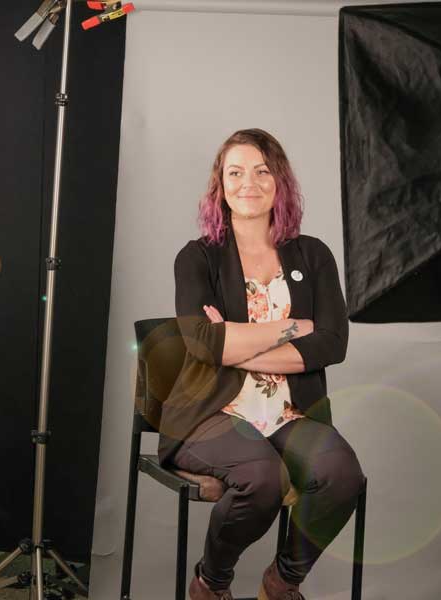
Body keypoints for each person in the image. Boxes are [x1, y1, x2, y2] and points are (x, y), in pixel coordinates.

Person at [162, 129, 365, 600]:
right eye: (235, 172)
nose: (247, 182)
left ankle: (283, 580)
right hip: (213, 412)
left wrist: (237, 341)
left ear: (280, 182)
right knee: (262, 476)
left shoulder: (312, 255)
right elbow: (205, 345)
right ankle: (210, 584)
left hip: (289, 413)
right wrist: (293, 325)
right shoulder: (197, 258)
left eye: (261, 170)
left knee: (341, 475)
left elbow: (332, 343)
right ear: (220, 184)